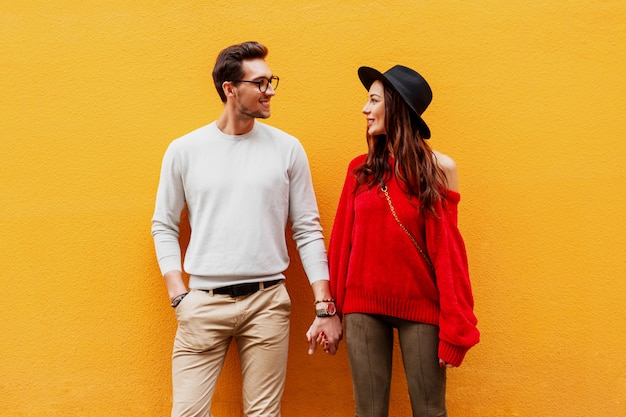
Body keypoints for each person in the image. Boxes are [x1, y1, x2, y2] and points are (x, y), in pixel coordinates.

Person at [151, 41, 342, 417]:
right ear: (230, 88)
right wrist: (178, 295)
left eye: (272, 81)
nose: (270, 91)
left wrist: (324, 304)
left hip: (267, 302)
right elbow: (164, 224)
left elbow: (307, 228)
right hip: (202, 302)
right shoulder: (185, 150)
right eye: (260, 83)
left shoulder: (287, 149)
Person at [327, 65, 480, 417]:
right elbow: (340, 245)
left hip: (421, 307)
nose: (365, 109)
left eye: (373, 100)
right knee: (369, 412)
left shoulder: (439, 168)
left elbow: (449, 252)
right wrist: (330, 310)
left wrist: (456, 328)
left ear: (396, 106)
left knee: (430, 411)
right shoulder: (359, 169)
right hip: (362, 305)